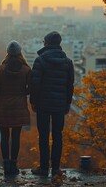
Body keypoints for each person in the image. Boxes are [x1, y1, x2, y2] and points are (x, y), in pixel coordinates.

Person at [30, 31, 74, 177]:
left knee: (43, 136)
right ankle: (56, 168)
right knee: (57, 136)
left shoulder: (40, 60)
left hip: (43, 104)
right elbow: (70, 85)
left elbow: (34, 85)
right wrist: (67, 103)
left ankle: (43, 168)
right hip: (60, 105)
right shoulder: (68, 62)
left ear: (47, 43)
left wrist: (33, 102)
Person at [0, 40, 31, 176]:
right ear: (20, 53)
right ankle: (14, 164)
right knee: (16, 137)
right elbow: (31, 88)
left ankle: (6, 164)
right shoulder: (26, 69)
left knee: (4, 136)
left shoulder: (1, 69)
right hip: (19, 106)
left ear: (7, 53)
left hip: (3, 105)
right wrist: (22, 93)